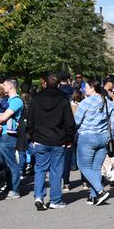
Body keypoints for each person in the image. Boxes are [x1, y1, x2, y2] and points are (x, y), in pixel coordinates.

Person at [27, 73, 76, 210]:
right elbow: (69, 122)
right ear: (59, 84)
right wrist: (69, 139)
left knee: (40, 169)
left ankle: (39, 196)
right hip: (58, 139)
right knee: (56, 171)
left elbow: (30, 120)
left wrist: (32, 137)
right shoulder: (63, 100)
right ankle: (55, 199)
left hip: (40, 138)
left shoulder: (35, 99)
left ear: (44, 83)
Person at [74, 80, 114, 206]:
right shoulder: (109, 103)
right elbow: (113, 124)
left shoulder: (84, 103)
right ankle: (93, 196)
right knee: (96, 168)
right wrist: (111, 138)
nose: (84, 89)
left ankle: (100, 191)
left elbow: (76, 122)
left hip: (87, 137)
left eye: (86, 87)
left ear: (92, 88)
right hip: (103, 137)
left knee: (83, 166)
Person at [0, 78, 26, 199]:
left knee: (11, 163)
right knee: (5, 164)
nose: (1, 86)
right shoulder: (7, 100)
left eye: (4, 84)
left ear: (11, 86)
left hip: (8, 135)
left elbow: (5, 117)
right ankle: (9, 187)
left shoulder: (16, 101)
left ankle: (15, 190)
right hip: (2, 134)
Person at [63, 90, 84, 191]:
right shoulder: (83, 105)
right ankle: (84, 182)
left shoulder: (67, 106)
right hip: (80, 133)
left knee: (66, 159)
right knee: (82, 158)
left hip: (68, 133)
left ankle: (66, 183)